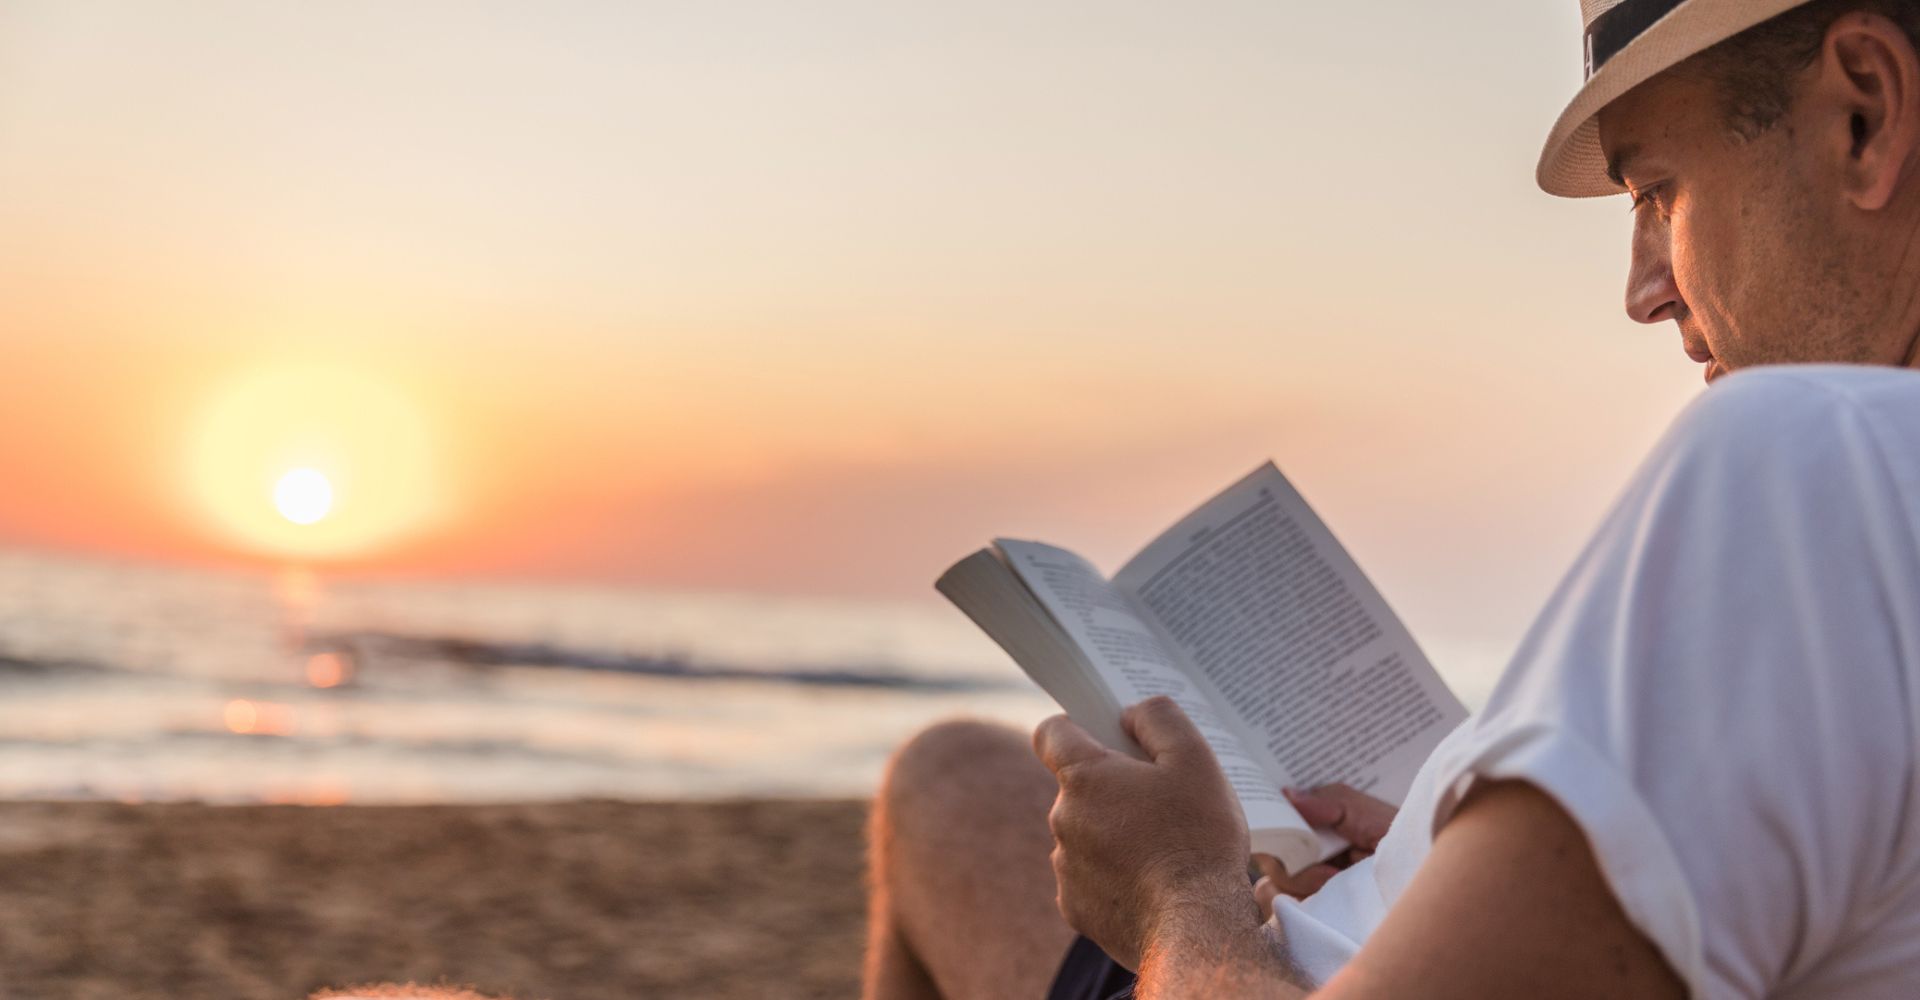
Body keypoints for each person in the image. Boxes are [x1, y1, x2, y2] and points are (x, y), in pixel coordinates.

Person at [862, 1, 1920, 997]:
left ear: (1862, 115)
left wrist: (1174, 897)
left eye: (1657, 193)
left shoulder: (1816, 459)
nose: (1645, 290)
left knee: (945, 781)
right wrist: (1453, 850)